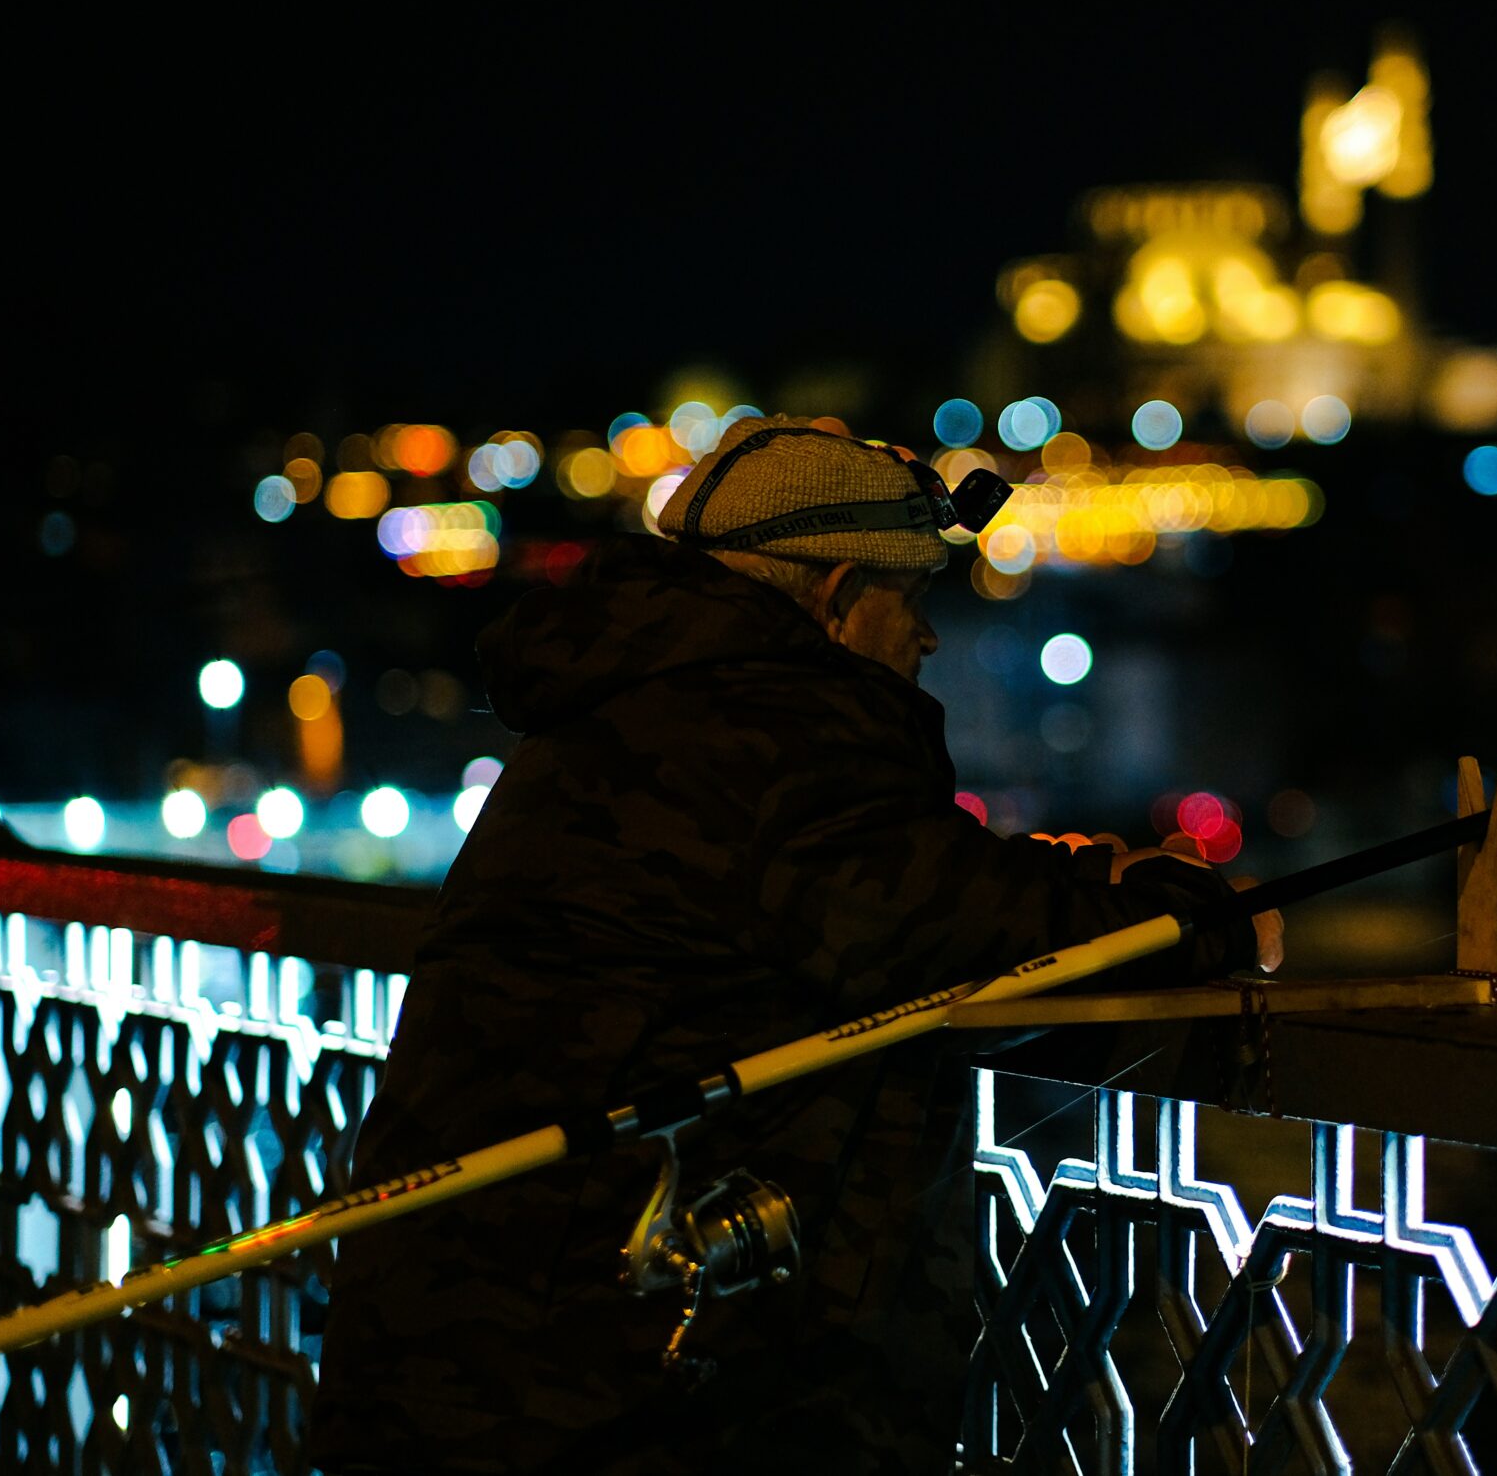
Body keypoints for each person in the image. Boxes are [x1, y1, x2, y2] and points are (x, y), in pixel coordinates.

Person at [310, 416, 1279, 1474]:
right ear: (835, 594)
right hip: (599, 1381)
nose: (927, 639)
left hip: (479, 1334)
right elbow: (974, 941)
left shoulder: (639, 707)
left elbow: (867, 895)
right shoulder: (768, 727)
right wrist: (1185, 909)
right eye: (906, 601)